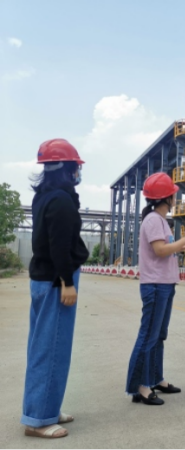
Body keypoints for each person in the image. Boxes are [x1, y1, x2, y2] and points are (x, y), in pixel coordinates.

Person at [23, 139, 89, 439]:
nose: (78, 172)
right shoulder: (61, 200)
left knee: (43, 348)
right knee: (51, 350)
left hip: (42, 280)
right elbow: (59, 246)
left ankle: (47, 406)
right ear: (67, 168)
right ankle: (38, 420)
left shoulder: (44, 196)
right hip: (55, 281)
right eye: (76, 167)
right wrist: (67, 282)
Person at [126, 173, 185, 405]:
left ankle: (155, 378)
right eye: (174, 194)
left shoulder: (160, 220)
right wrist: (184, 239)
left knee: (159, 335)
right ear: (166, 198)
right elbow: (159, 250)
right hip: (156, 285)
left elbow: (165, 249)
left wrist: (184, 245)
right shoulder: (153, 220)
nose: (176, 198)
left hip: (164, 283)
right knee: (149, 336)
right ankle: (140, 386)